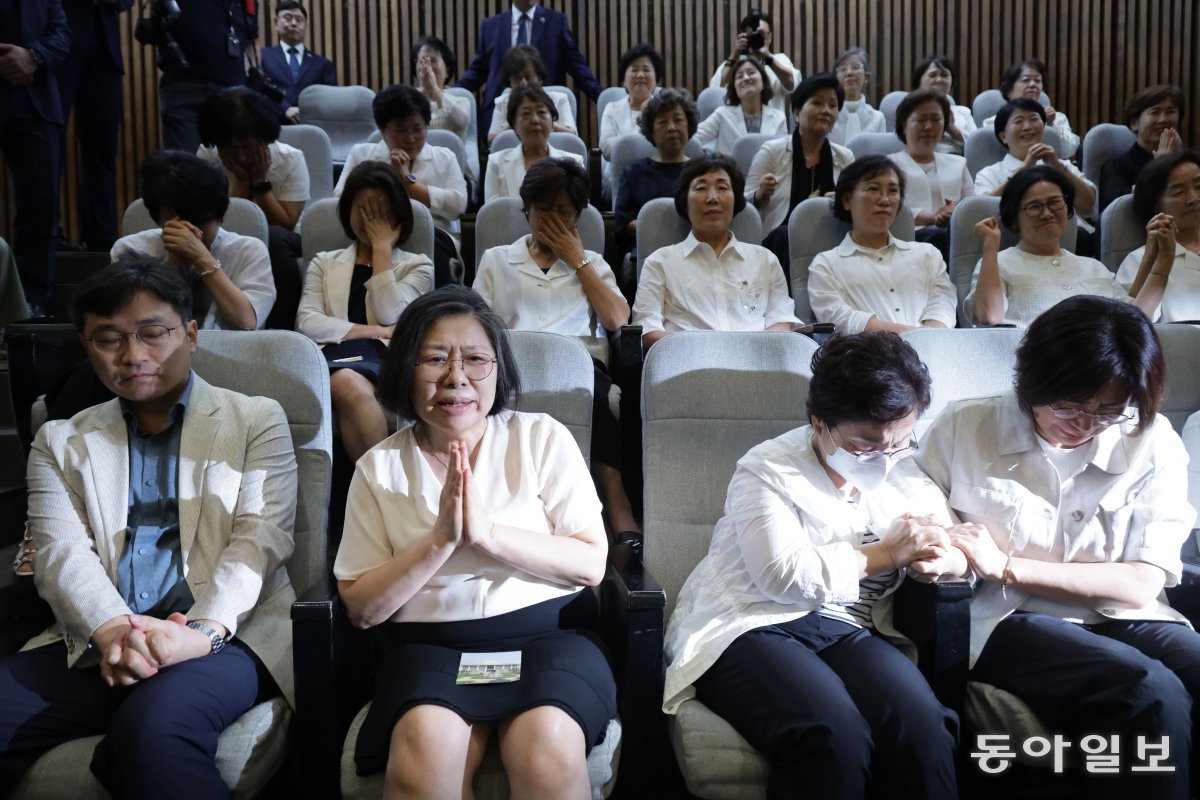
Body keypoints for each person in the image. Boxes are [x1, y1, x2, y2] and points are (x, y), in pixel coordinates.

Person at [0, 255, 298, 796]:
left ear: (190, 333)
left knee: (151, 733)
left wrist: (198, 636)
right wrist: (116, 633)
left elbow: (259, 541)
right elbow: (62, 555)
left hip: (229, 637)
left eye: (152, 333)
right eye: (108, 339)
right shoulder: (61, 440)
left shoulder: (256, 418)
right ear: (87, 347)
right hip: (101, 642)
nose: (133, 355)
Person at [333, 284, 616, 796]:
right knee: (423, 752)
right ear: (405, 371)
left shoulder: (541, 437)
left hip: (547, 641)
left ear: (498, 368)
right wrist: (440, 540)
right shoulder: (379, 468)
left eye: (475, 359)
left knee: (547, 748)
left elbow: (591, 563)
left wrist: (486, 535)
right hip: (430, 650)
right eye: (435, 359)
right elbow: (361, 608)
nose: (456, 377)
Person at [917, 295, 1200, 799]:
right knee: (1147, 692)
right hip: (1007, 619)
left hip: (1122, 612)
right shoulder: (964, 427)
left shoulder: (1152, 441)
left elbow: (1141, 583)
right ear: (1033, 383)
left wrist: (1005, 564)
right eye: (1069, 405)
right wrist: (952, 555)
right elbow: (932, 540)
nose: (1086, 425)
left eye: (1109, 410)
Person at [664, 331, 962, 800]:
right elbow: (781, 575)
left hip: (844, 625)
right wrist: (888, 554)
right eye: (865, 446)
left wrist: (940, 559)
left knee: (924, 726)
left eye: (899, 443)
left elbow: (949, 540)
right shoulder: (766, 468)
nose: (884, 458)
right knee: (831, 734)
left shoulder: (904, 466)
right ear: (820, 423)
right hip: (750, 621)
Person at [474, 158, 639, 538]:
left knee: (592, 393)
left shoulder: (593, 262)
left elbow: (617, 318)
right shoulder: (497, 259)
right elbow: (478, 322)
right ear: (526, 211)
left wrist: (577, 260)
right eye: (543, 210)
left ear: (578, 215)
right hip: (514, 360)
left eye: (563, 211)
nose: (552, 219)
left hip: (579, 363)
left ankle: (616, 501)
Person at [297, 161, 434, 463]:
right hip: (332, 356)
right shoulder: (324, 262)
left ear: (399, 214)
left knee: (347, 382)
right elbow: (307, 323)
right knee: (346, 380)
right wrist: (378, 332)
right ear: (347, 211)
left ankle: (380, 494)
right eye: (363, 209)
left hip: (387, 359)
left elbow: (391, 316)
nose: (372, 219)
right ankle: (384, 494)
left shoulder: (418, 265)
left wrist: (382, 250)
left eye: (382, 210)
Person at [632, 153, 799, 348]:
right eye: (701, 188)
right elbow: (647, 330)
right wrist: (707, 350)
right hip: (688, 367)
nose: (713, 198)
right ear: (685, 203)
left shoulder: (765, 260)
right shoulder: (660, 262)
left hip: (753, 366)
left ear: (736, 200)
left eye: (722, 188)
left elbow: (780, 321)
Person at [967, 165, 1164, 327]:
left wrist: (1162, 260)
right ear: (1014, 219)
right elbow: (988, 316)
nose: (1047, 213)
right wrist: (990, 247)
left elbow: (1136, 319)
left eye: (1055, 202)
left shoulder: (1093, 266)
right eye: (1035, 207)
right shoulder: (998, 263)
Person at [111, 150, 275, 332]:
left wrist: (202, 258)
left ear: (219, 214)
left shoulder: (248, 250)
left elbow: (246, 322)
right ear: (159, 219)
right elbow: (134, 321)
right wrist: (173, 263)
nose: (190, 233)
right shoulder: (130, 249)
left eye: (199, 223)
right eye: (178, 223)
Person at [197, 86, 310, 329]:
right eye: (230, 147)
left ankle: (282, 326)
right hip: (228, 234)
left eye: (246, 146)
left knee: (277, 238)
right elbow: (222, 223)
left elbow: (286, 222)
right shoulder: (208, 157)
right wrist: (241, 181)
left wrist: (260, 182)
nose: (241, 156)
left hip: (286, 238)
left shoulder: (291, 159)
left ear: (264, 137)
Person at [334, 84, 468, 286]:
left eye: (417, 129)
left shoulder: (444, 157)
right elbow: (339, 198)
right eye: (400, 130)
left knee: (431, 239)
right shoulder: (362, 154)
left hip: (436, 234)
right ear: (382, 130)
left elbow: (458, 205)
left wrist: (407, 182)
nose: (410, 138)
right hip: (373, 230)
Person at [808, 155, 956, 334]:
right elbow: (842, 321)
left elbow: (944, 304)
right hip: (865, 358)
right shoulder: (826, 265)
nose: (885, 200)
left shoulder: (928, 255)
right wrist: (918, 338)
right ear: (846, 200)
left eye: (893, 191)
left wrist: (929, 341)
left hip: (934, 354)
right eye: (873, 189)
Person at [0, 0, 70, 315]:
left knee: (41, 205)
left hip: (36, 101)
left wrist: (34, 56)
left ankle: (32, 301)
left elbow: (62, 33)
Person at [749, 73, 855, 276]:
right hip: (779, 240)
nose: (826, 111)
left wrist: (844, 201)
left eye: (832, 106)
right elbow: (743, 207)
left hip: (829, 238)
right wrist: (759, 194)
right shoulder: (771, 151)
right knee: (784, 235)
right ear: (797, 113)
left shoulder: (845, 157)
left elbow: (856, 208)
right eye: (817, 103)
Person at [54, 0, 134, 253]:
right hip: (58, 42)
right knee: (49, 146)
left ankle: (101, 236)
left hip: (105, 48)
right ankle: (48, 234)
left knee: (103, 147)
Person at [456, 0, 602, 136]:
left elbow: (577, 67)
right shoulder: (491, 25)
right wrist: (452, 93)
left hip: (544, 113)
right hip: (500, 113)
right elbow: (477, 71)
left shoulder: (556, 21)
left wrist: (602, 96)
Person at [153, 0, 257, 154]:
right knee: (185, 167)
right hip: (185, 88)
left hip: (233, 91)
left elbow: (250, 40)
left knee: (234, 165)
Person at [888, 89, 975, 258]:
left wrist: (955, 212)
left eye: (936, 119)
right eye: (921, 120)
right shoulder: (888, 166)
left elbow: (972, 207)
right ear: (904, 124)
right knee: (938, 235)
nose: (929, 127)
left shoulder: (958, 163)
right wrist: (932, 218)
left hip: (955, 240)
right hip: (905, 240)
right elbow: (887, 207)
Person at [1116, 150, 1200, 322]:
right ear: (1155, 204)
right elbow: (1134, 328)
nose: (1194, 198)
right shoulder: (1139, 260)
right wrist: (1159, 262)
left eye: (1199, 186)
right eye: (1178, 193)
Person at [613, 88, 697, 261]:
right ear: (650, 131)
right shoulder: (634, 172)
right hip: (649, 253)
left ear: (689, 125)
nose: (672, 128)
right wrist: (663, 232)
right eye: (663, 122)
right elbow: (623, 222)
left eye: (678, 120)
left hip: (697, 250)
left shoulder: (701, 171)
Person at [973, 99, 1097, 214]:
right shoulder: (989, 174)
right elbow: (984, 211)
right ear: (1003, 137)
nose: (1028, 127)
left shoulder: (1063, 166)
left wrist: (1059, 169)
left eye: (1034, 119)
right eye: (1018, 121)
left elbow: (1088, 204)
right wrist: (1024, 170)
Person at [483, 84, 583, 202]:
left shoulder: (574, 163)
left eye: (541, 112)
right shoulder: (496, 162)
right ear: (513, 125)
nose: (535, 120)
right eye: (526, 113)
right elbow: (492, 214)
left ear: (552, 122)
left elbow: (581, 213)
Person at [1099, 85, 1185, 213]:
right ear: (1135, 123)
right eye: (1155, 112)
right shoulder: (1117, 165)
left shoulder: (1188, 163)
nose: (1163, 119)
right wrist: (1160, 169)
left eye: (1170, 111)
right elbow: (1118, 207)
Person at [260, 0, 338, 124]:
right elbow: (256, 89)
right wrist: (285, 108)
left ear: (305, 25)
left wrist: (305, 112)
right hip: (270, 126)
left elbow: (331, 98)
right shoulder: (262, 57)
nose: (294, 23)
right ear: (276, 22)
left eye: (299, 19)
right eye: (288, 18)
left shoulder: (323, 64)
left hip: (312, 127)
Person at [708, 10, 798, 116]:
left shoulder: (779, 60)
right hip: (737, 128)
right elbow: (714, 93)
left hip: (773, 128)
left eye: (762, 34)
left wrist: (768, 58)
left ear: (770, 37)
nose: (757, 38)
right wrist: (734, 55)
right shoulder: (731, 64)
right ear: (744, 37)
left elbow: (793, 84)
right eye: (752, 35)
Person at [599, 43, 664, 189]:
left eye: (646, 70)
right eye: (634, 70)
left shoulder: (664, 110)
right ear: (623, 80)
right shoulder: (612, 108)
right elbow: (606, 148)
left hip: (657, 172)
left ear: (657, 80)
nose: (640, 75)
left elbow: (667, 147)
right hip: (618, 177)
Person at [694, 54, 786, 156]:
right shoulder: (722, 115)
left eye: (751, 73)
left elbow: (782, 156)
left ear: (763, 82)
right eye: (739, 76)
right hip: (728, 171)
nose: (746, 78)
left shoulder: (779, 118)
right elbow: (693, 139)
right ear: (734, 88)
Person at [486, 45, 576, 144]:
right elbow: (492, 141)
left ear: (539, 78)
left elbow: (572, 136)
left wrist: (546, 121)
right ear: (510, 82)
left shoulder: (559, 99)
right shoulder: (502, 103)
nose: (523, 83)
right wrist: (513, 123)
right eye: (517, 78)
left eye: (528, 77)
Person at [411, 35, 472, 144]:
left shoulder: (461, 100)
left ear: (447, 70)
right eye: (422, 61)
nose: (427, 66)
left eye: (433, 61)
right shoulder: (406, 99)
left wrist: (434, 87)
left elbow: (462, 121)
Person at [911, 54, 976, 154]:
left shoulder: (963, 112)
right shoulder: (909, 111)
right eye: (932, 75)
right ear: (919, 81)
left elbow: (978, 149)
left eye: (945, 75)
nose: (939, 80)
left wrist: (954, 131)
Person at [830, 48, 884, 146]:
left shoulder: (877, 118)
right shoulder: (827, 116)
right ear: (836, 78)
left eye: (855, 67)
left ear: (866, 78)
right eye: (843, 69)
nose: (849, 73)